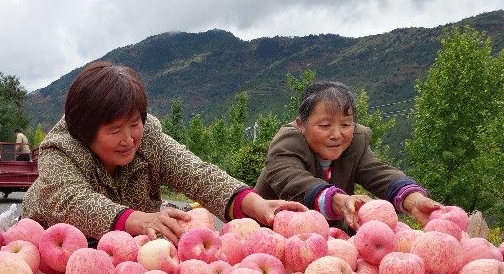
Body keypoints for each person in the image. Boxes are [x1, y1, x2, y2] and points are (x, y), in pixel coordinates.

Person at [22, 61, 305, 242]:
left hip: (130, 262)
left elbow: (194, 172)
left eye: (134, 124)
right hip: (53, 257)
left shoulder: (148, 136)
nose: (128, 139)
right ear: (86, 130)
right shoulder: (59, 150)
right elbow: (74, 202)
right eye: (113, 130)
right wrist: (139, 219)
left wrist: (251, 202)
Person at [254, 81, 441, 230]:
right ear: (301, 124)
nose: (337, 134)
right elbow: (292, 180)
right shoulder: (287, 143)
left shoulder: (355, 143)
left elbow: (380, 173)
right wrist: (338, 200)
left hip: (330, 239)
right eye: (325, 126)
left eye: (345, 124)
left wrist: (414, 201)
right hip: (269, 231)